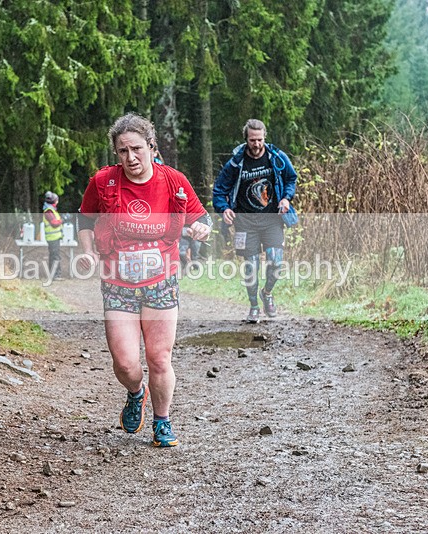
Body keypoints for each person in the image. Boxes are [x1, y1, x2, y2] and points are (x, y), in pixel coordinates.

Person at [77, 113, 211, 448]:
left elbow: (201, 218)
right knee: (125, 363)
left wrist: (201, 228)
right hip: (118, 285)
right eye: (122, 151)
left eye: (137, 149)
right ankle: (136, 393)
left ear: (152, 147)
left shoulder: (174, 182)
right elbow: (84, 220)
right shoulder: (104, 182)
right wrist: (87, 251)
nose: (130, 158)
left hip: (161, 282)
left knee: (159, 358)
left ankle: (162, 421)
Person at [212, 119, 298, 323]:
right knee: (251, 267)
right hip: (245, 222)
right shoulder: (236, 162)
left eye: (259, 140)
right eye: (252, 140)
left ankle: (267, 293)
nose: (256, 144)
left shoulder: (276, 157)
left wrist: (286, 198)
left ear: (264, 137)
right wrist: (224, 209)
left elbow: (291, 178)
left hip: (272, 219)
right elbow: (219, 190)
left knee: (276, 263)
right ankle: (253, 307)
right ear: (246, 139)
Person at [42, 191, 64, 281]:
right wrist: (63, 220)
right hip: (52, 238)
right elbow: (54, 223)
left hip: (55, 237)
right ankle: (55, 275)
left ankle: (54, 274)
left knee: (54, 256)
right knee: (55, 257)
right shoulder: (49, 211)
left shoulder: (51, 210)